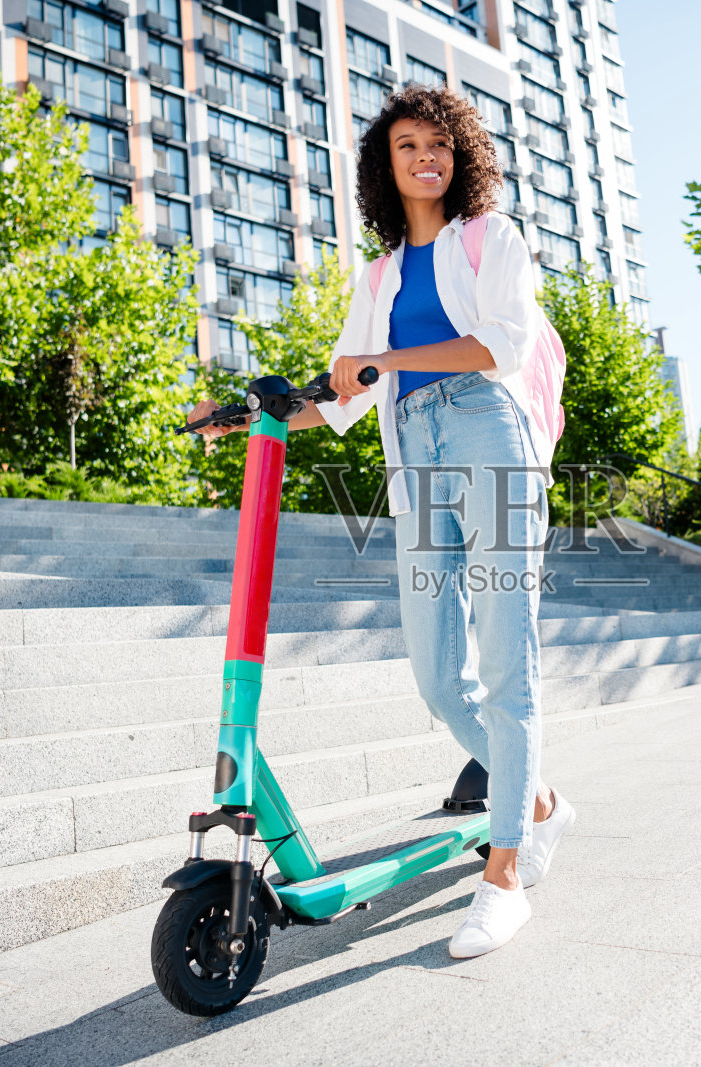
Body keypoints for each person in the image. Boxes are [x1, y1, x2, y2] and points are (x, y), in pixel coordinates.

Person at [190, 85, 573, 958]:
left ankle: (504, 872)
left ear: (461, 155)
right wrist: (255, 415)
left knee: (508, 663)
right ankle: (539, 800)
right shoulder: (378, 276)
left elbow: (500, 345)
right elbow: (348, 396)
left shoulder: (493, 238)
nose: (425, 158)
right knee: (440, 678)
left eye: (439, 144)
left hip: (490, 433)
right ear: (385, 165)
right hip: (417, 446)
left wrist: (384, 362)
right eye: (407, 146)